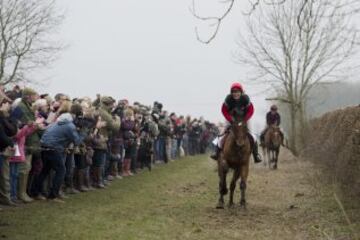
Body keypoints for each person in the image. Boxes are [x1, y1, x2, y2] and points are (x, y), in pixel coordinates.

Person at [210, 82, 262, 163]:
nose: (235, 94)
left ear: (241, 92)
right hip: (231, 119)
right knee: (221, 136)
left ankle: (256, 155)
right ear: (231, 93)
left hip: (244, 119)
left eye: (237, 92)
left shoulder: (245, 99)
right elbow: (224, 110)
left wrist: (246, 119)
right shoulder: (228, 99)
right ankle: (216, 153)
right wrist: (230, 119)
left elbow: (251, 110)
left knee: (252, 136)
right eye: (234, 92)